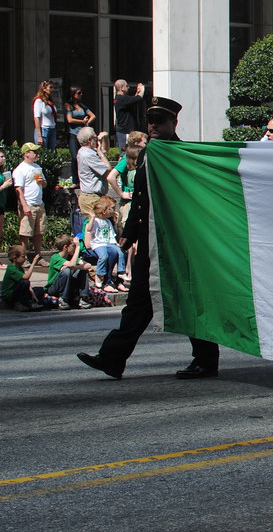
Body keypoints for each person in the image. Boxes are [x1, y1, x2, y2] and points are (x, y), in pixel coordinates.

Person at [78, 96, 220, 380]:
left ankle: (206, 359)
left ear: (174, 123)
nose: (153, 125)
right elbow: (141, 200)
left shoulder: (180, 154)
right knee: (139, 302)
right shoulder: (147, 153)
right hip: (150, 240)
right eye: (150, 121)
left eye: (160, 121)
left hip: (177, 241)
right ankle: (113, 358)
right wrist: (128, 235)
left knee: (187, 298)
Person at [85, 196, 127, 293]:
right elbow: (88, 232)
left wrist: (116, 224)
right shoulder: (93, 221)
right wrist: (92, 218)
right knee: (110, 254)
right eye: (112, 208)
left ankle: (120, 276)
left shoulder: (108, 221)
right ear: (104, 210)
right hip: (98, 245)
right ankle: (103, 279)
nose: (114, 210)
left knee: (122, 251)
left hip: (109, 243)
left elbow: (113, 235)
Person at [13, 142, 48, 257]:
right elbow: (18, 189)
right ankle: (23, 258)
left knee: (39, 232)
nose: (37, 154)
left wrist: (42, 181)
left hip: (39, 204)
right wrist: (24, 205)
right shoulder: (20, 169)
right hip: (28, 204)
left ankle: (38, 256)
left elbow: (45, 184)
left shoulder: (37, 167)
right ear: (26, 154)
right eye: (34, 152)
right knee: (25, 232)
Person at [46, 235, 94, 310]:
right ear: (65, 247)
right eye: (73, 246)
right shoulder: (55, 257)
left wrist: (75, 267)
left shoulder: (71, 257)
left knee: (82, 270)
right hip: (55, 288)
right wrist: (78, 247)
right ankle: (63, 299)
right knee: (66, 271)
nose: (74, 248)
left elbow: (88, 265)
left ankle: (83, 298)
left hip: (68, 286)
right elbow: (71, 264)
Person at [76, 126, 112, 217]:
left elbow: (105, 150)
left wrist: (105, 138)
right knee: (96, 224)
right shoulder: (88, 155)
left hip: (92, 196)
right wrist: (101, 154)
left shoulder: (87, 151)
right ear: (89, 140)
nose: (97, 140)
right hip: (91, 198)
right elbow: (108, 169)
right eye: (95, 138)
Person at [1, 245, 46, 312]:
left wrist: (32, 293)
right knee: (24, 282)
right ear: (15, 257)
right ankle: (21, 304)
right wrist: (33, 263)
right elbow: (26, 277)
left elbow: (28, 283)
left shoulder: (19, 267)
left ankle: (32, 302)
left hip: (18, 292)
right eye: (23, 256)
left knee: (40, 290)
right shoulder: (11, 268)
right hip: (10, 295)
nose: (25, 258)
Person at [65, 87, 96, 178]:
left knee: (83, 155)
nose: (81, 94)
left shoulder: (82, 106)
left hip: (82, 134)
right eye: (78, 93)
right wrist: (82, 121)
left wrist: (87, 123)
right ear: (73, 94)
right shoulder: (68, 105)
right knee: (75, 157)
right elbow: (69, 119)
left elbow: (93, 116)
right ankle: (75, 179)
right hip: (73, 133)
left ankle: (82, 177)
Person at [113, 80, 145, 150]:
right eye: (126, 86)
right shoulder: (122, 98)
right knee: (125, 151)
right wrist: (142, 89)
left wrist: (137, 92)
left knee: (131, 150)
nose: (128, 87)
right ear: (121, 88)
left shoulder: (119, 98)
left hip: (125, 130)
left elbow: (132, 100)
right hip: (125, 131)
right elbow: (138, 98)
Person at [32, 80, 58, 151]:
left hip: (52, 128)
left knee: (51, 153)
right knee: (43, 152)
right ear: (44, 89)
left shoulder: (50, 102)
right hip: (44, 129)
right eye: (50, 87)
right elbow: (36, 118)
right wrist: (39, 136)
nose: (52, 89)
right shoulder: (39, 101)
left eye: (53, 87)